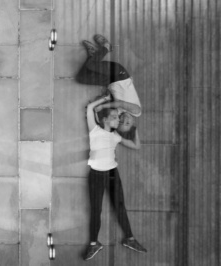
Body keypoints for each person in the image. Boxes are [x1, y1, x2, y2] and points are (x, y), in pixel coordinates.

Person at [83, 96, 147, 260]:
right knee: (96, 209)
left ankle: (130, 239)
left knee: (120, 207)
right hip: (96, 174)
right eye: (114, 117)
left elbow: (136, 146)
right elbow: (90, 108)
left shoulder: (116, 137)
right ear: (104, 120)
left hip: (112, 174)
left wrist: (135, 130)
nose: (117, 120)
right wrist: (104, 99)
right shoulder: (94, 130)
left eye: (118, 118)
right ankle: (93, 244)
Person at [76, 34, 141, 140]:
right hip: (120, 74)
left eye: (121, 122)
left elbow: (105, 100)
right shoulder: (137, 111)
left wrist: (99, 104)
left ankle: (93, 55)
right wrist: (102, 107)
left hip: (109, 81)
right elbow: (120, 103)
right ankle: (106, 47)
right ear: (133, 123)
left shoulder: (119, 112)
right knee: (91, 66)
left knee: (81, 78)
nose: (124, 119)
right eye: (127, 123)